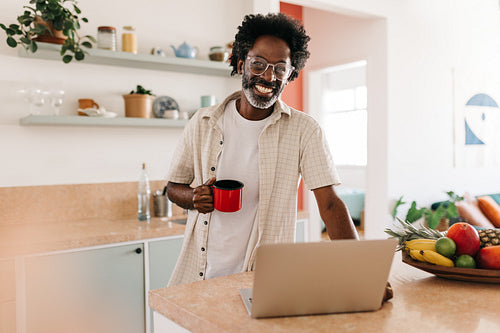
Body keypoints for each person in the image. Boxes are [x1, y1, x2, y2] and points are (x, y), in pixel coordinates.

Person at [165, 12, 359, 287]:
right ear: (242, 64)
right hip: (200, 276)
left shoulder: (305, 129)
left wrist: (361, 273)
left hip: (264, 279)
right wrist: (194, 197)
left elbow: (329, 203)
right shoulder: (203, 122)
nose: (269, 76)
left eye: (280, 68)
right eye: (259, 64)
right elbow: (173, 187)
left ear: (291, 74)